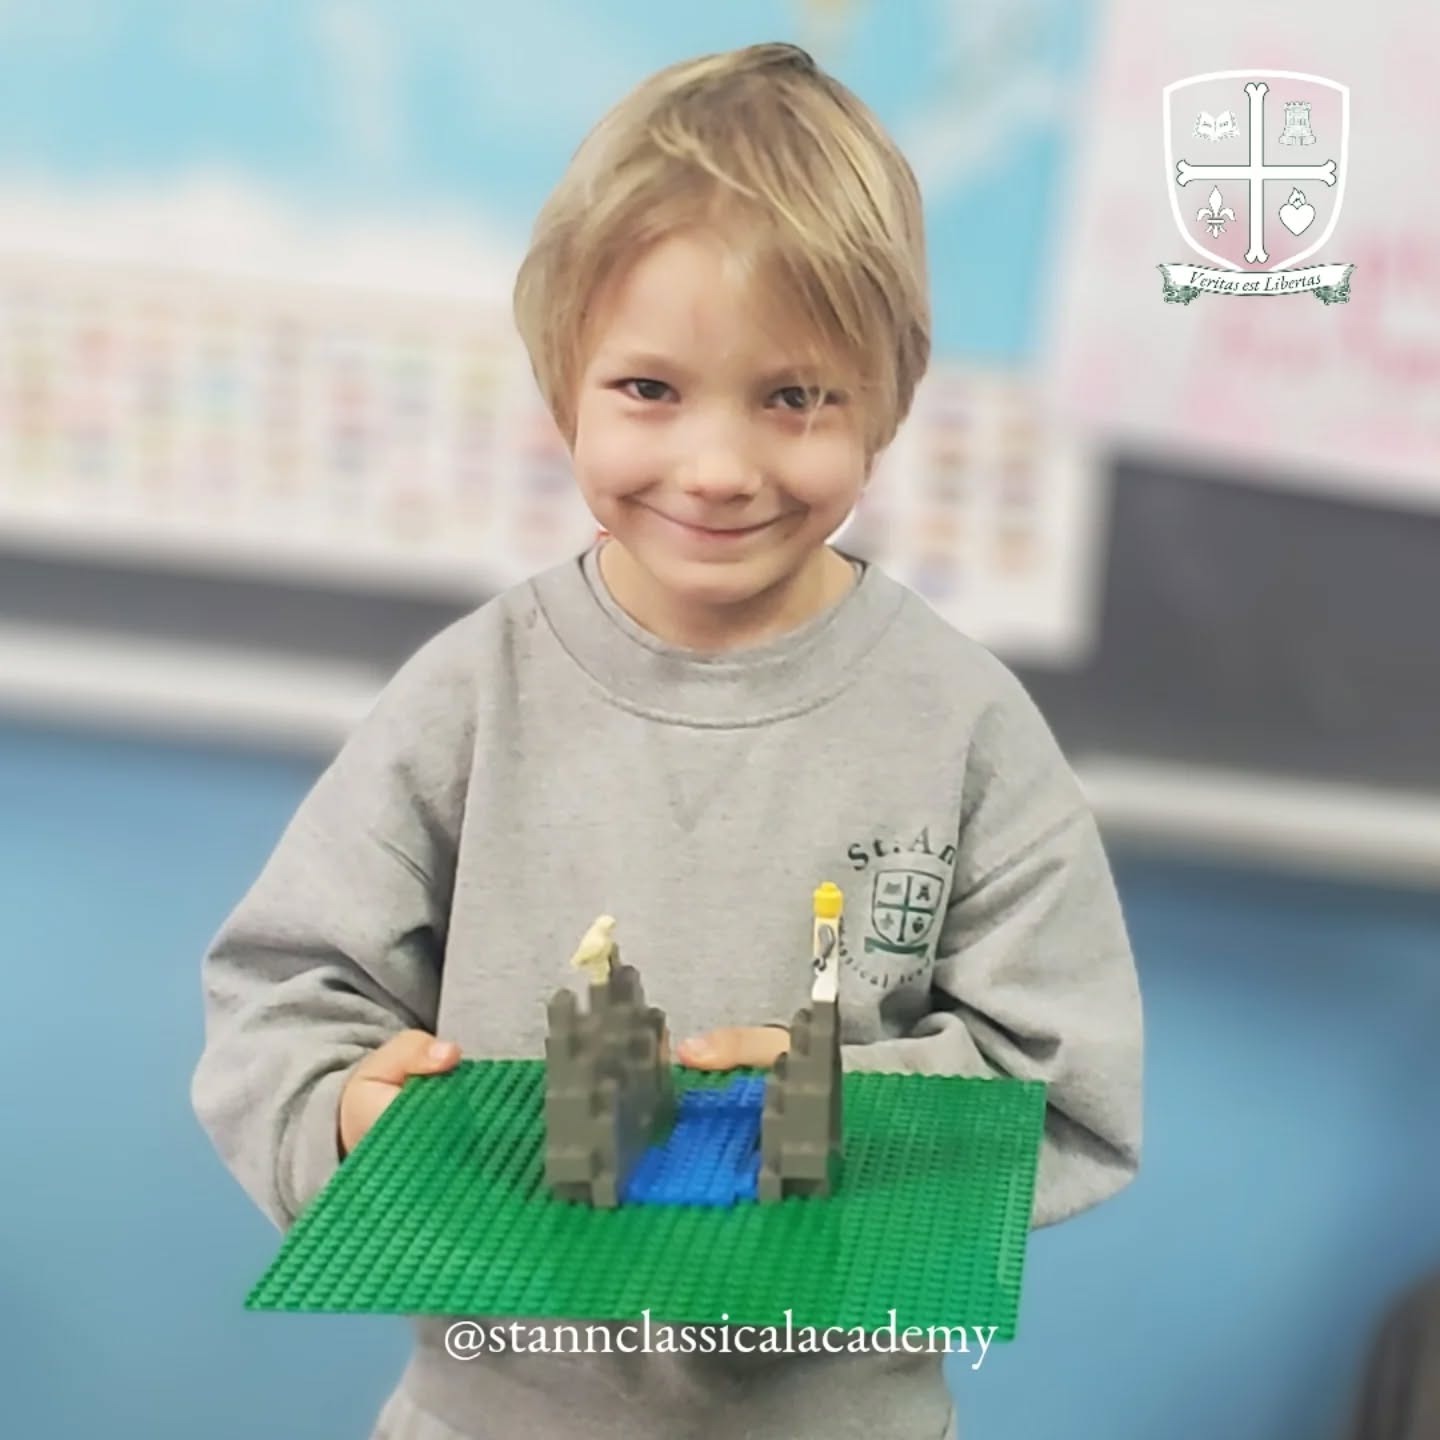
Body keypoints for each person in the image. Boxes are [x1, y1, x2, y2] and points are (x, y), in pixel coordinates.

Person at [191, 40, 1143, 1440]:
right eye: (649, 389)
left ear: (887, 396)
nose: (717, 468)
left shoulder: (967, 729)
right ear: (564, 379)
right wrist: (342, 1112)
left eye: (794, 397)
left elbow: (1066, 1090)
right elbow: (281, 997)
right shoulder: (471, 697)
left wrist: (832, 1110)